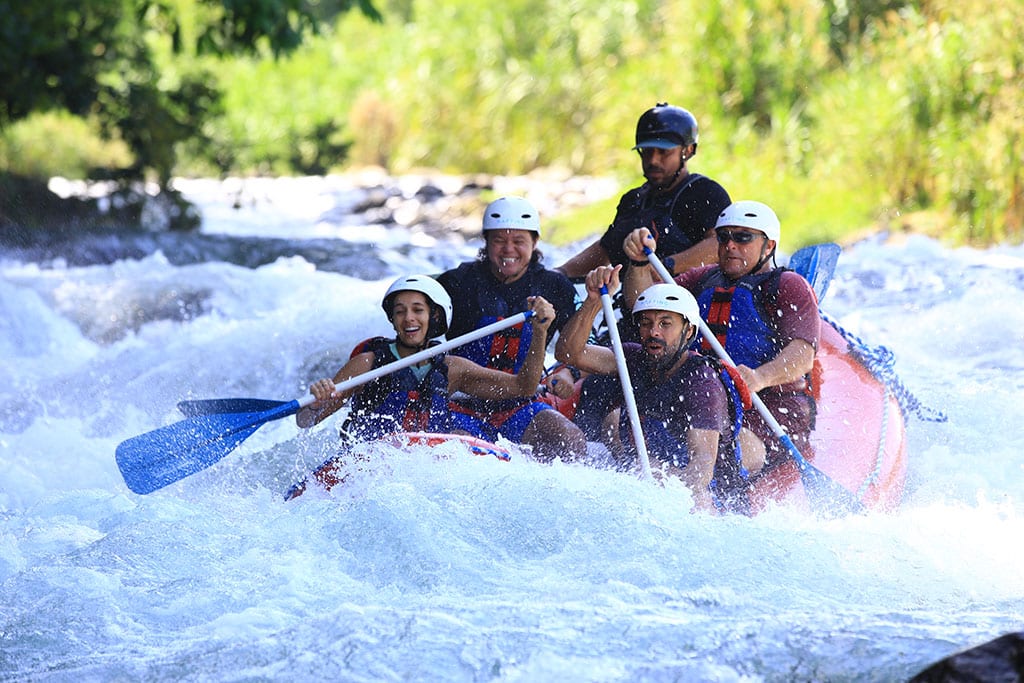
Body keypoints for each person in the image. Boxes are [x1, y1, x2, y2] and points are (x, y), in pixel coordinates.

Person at [622, 200, 821, 481]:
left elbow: (802, 355)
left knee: (731, 455)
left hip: (766, 408)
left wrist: (758, 378)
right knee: (625, 430)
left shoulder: (788, 286)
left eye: (743, 238)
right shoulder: (701, 279)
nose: (730, 245)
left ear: (769, 246)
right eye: (724, 237)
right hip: (701, 396)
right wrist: (638, 263)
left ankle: (699, 491)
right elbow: (642, 302)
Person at [554, 267, 746, 512]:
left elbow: (701, 470)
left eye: (666, 324)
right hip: (648, 470)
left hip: (715, 498)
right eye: (646, 323)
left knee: (699, 498)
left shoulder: (703, 383)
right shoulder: (634, 358)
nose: (653, 332)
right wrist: (593, 302)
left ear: (688, 331)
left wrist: (659, 478)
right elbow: (569, 353)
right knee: (613, 422)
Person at [296, 274, 557, 448]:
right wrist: (317, 401)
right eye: (400, 312)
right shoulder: (368, 363)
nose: (409, 318)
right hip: (372, 460)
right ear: (393, 319)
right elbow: (305, 421)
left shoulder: (451, 368)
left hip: (424, 462)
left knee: (462, 438)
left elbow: (524, 387)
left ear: (434, 317)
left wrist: (540, 333)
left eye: (418, 310)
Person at [436, 196, 586, 461]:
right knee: (460, 458)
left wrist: (569, 373)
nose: (508, 250)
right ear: (486, 242)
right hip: (461, 403)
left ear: (535, 243)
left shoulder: (556, 287)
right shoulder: (455, 283)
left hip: (522, 404)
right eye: (499, 241)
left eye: (518, 241)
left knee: (570, 440)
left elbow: (583, 346)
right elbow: (421, 342)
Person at [555, 103, 731, 280]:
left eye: (663, 152)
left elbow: (720, 244)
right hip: (629, 300)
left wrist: (663, 267)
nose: (653, 160)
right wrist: (560, 272)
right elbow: (605, 249)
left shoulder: (705, 193)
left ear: (688, 150)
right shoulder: (633, 200)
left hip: (682, 300)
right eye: (646, 152)